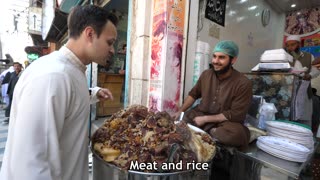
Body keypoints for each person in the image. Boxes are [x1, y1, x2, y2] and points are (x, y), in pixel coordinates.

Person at [0, 5, 117, 180]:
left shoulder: (68, 71)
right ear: (90, 34)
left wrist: (93, 93)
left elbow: (67, 100)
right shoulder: (53, 76)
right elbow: (32, 164)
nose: (112, 50)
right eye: (110, 42)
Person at [174, 40, 252, 148]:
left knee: (237, 134)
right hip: (200, 114)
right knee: (180, 122)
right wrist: (180, 111)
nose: (216, 61)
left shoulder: (243, 83)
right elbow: (193, 94)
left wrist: (206, 119)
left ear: (233, 60)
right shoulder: (206, 74)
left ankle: (207, 133)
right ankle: (206, 134)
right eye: (214, 56)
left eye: (221, 57)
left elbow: (235, 114)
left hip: (224, 123)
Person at [285, 35, 320, 126]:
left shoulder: (309, 56)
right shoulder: (284, 57)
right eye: (288, 46)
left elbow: (315, 70)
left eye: (293, 45)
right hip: (287, 93)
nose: (290, 48)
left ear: (299, 44)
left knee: (304, 119)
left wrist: (310, 75)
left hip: (305, 92)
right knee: (288, 118)